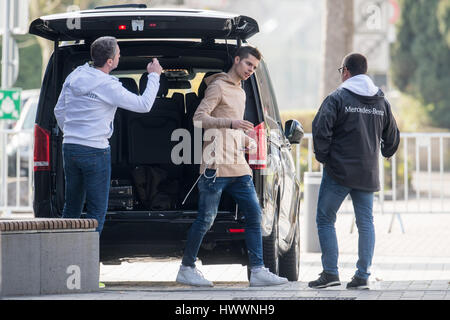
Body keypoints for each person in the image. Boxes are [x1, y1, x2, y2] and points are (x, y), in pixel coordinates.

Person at [175, 46, 288, 287]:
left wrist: (249, 141)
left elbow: (233, 131)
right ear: (237, 60)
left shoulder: (242, 91)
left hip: (239, 168)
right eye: (248, 64)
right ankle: (186, 267)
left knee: (255, 215)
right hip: (215, 166)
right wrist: (232, 122)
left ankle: (257, 270)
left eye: (254, 68)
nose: (250, 70)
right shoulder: (217, 86)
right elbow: (198, 119)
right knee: (206, 219)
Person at [54, 36, 163, 235]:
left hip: (69, 147)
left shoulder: (74, 76)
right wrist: (154, 75)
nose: (120, 56)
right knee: (96, 211)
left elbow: (58, 111)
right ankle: (87, 259)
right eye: (118, 53)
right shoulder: (108, 86)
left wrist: (73, 133)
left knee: (72, 208)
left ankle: (66, 257)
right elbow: (144, 105)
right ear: (110, 61)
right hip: (95, 151)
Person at [309, 53, 400, 290]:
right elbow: (392, 136)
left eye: (341, 70)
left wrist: (324, 157)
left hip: (338, 172)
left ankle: (330, 273)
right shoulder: (381, 101)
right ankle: (362, 275)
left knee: (325, 219)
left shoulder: (337, 97)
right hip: (367, 172)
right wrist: (385, 152)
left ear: (346, 71)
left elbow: (321, 130)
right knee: (366, 222)